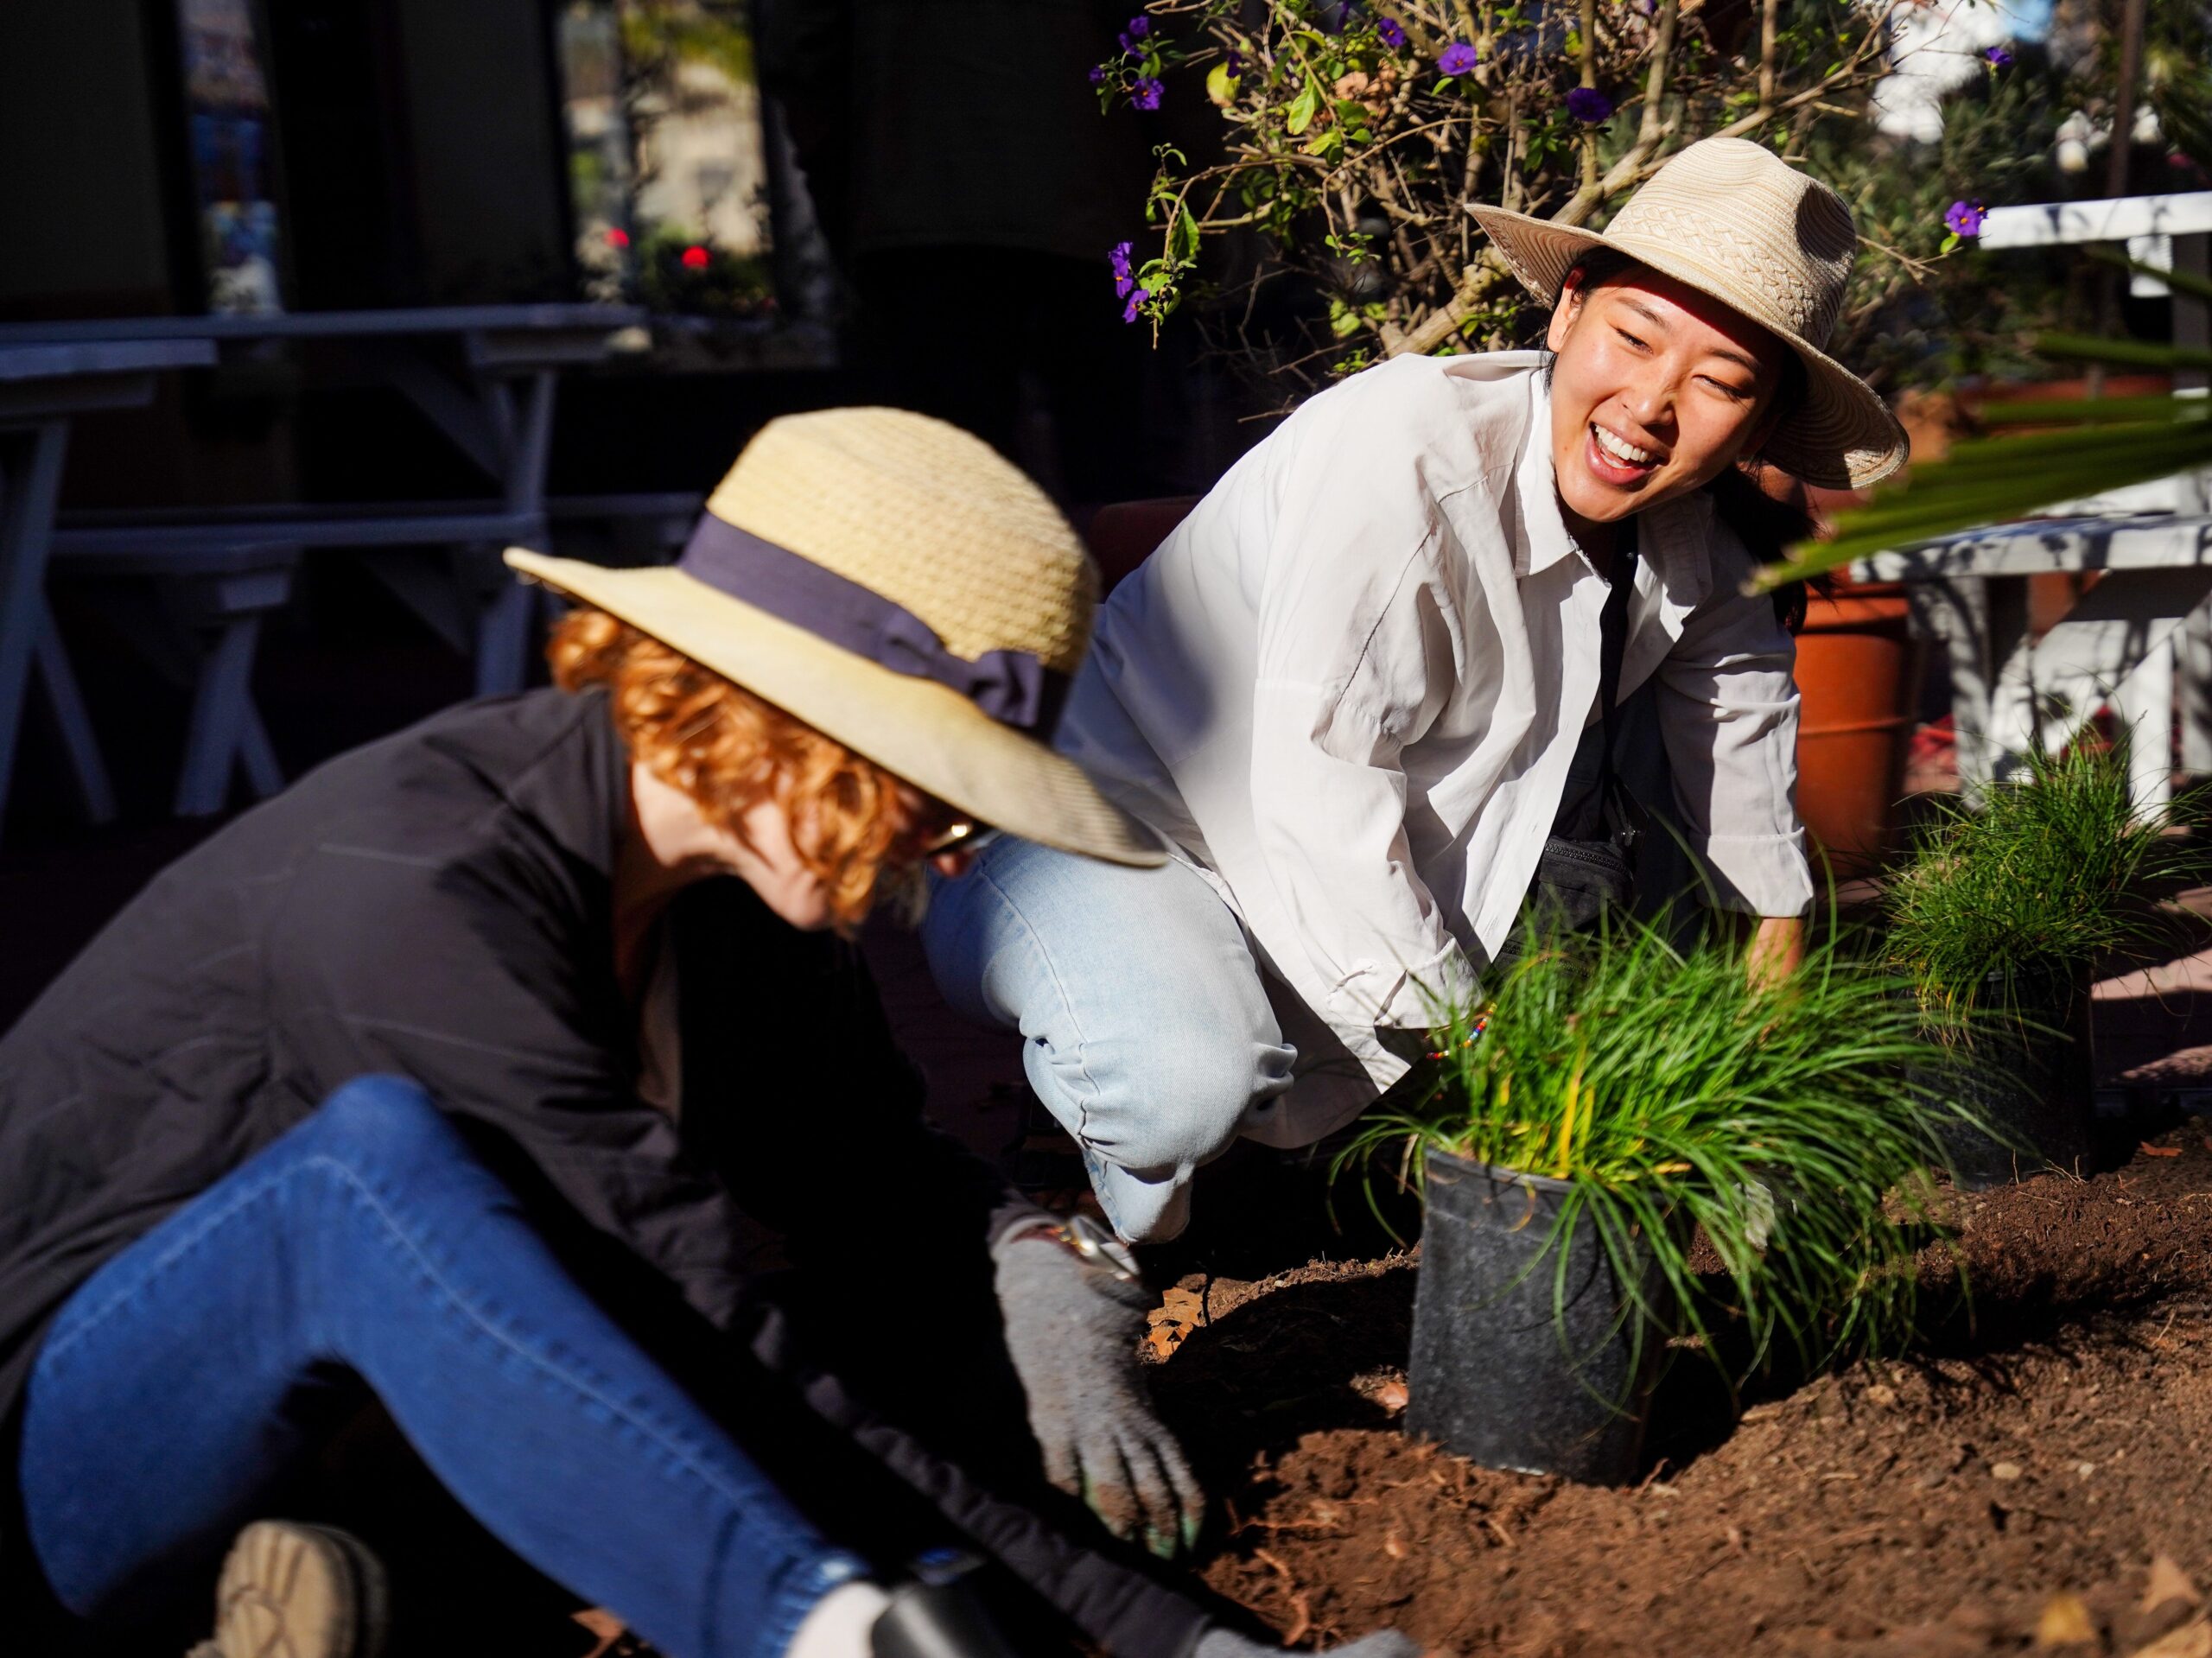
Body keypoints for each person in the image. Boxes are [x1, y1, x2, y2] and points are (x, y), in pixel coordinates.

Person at [0, 410, 1421, 1658]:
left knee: (847, 1284)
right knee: (383, 1173)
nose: (951, 843)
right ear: (777, 710)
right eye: (932, 780)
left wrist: (1033, 1266)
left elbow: (874, 1204)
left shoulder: (737, 907)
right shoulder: (422, 892)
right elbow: (716, 1339)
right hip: (61, 1475)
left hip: (361, 1428)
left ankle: (374, 1590)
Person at [923, 137, 1913, 1244]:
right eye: (1634, 337)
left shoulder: (1692, 534)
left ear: (1761, 425)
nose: (1651, 404)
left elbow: (1744, 769)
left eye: (1721, 383)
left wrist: (1770, 1055)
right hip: (1108, 827)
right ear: (1567, 311)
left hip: (1315, 864)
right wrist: (1500, 1066)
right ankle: (1083, 1173)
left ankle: (1275, 1120)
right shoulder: (1404, 457)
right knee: (1183, 1088)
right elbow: (1322, 790)